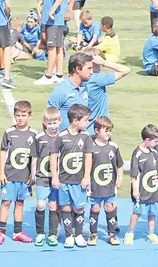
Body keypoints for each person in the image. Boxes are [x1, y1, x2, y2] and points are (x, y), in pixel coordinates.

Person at [50, 104, 93, 249]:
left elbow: (88, 157)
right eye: (86, 120)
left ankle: (79, 234)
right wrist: (55, 177)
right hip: (64, 181)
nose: (87, 123)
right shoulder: (61, 137)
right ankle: (69, 236)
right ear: (75, 120)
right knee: (66, 208)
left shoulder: (86, 137)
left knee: (79, 209)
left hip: (79, 181)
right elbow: (53, 157)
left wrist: (86, 177)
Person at [0, 100, 36, 244]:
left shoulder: (34, 134)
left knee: (20, 203)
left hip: (24, 177)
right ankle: (1, 232)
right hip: (9, 176)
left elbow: (34, 157)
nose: (20, 118)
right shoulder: (9, 132)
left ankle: (18, 232)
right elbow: (3, 152)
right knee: (6, 202)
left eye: (23, 115)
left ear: (30, 115)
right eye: (17, 115)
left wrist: (33, 174)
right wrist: (2, 172)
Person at [125, 123, 158, 245]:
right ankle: (130, 233)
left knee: (152, 213)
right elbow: (134, 175)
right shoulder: (137, 154)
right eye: (155, 141)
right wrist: (135, 190)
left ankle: (151, 233)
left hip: (154, 189)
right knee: (137, 212)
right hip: (141, 191)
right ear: (147, 140)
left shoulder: (154, 152)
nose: (156, 144)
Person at [88, 116, 123, 246]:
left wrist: (119, 180)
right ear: (97, 130)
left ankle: (111, 234)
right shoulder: (90, 146)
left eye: (110, 131)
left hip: (109, 185)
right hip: (95, 185)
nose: (108, 133)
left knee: (110, 208)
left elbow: (119, 165)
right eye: (106, 130)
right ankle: (93, 234)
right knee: (95, 208)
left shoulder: (113, 147)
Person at [79, 49, 131, 134]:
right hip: (98, 130)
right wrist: (105, 62)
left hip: (85, 128)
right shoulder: (97, 78)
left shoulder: (82, 79)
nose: (102, 66)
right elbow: (125, 70)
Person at [33, 107, 62, 247]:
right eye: (49, 123)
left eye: (55, 123)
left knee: (53, 206)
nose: (52, 126)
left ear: (60, 121)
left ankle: (52, 234)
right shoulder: (39, 138)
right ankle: (40, 233)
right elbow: (34, 157)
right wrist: (33, 175)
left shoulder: (62, 137)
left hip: (57, 178)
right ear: (44, 122)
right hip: (42, 177)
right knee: (40, 204)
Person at [47, 52, 93, 130]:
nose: (92, 72)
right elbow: (48, 117)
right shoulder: (62, 90)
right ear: (78, 69)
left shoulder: (85, 87)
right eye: (89, 68)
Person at [35, 0, 69, 85]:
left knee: (51, 47)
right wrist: (40, 3)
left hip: (53, 21)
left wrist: (51, 11)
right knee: (58, 47)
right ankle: (59, 75)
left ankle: (48, 75)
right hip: (56, 20)